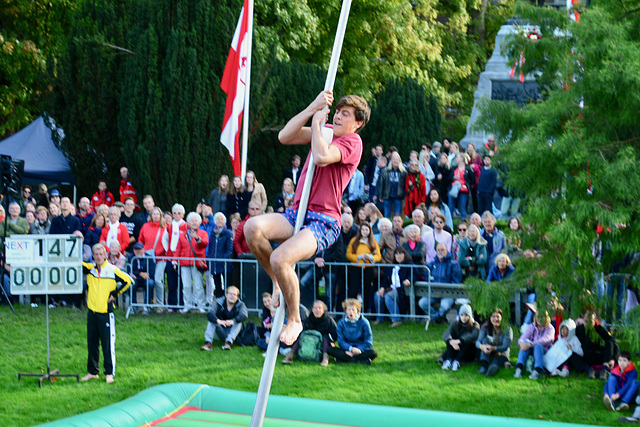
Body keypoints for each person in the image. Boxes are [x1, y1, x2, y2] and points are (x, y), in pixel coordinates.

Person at [245, 91, 369, 345]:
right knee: (252, 228)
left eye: (345, 114)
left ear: (357, 123)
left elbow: (323, 157)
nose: (337, 116)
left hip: (323, 220)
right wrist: (313, 107)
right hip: (296, 212)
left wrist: (316, 126)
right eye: (337, 111)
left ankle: (294, 319)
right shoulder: (324, 132)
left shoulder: (352, 142)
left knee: (281, 257)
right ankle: (277, 280)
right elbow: (284, 135)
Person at [81, 243, 132, 384]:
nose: (98, 257)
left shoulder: (112, 270)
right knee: (92, 342)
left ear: (105, 255)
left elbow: (128, 280)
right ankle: (92, 371)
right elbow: (74, 263)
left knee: (107, 343)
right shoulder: (90, 269)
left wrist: (115, 294)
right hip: (92, 312)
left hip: (105, 312)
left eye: (100, 254)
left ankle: (109, 372)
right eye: (95, 254)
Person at [283, 300, 338, 366]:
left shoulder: (329, 320)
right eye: (315, 308)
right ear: (312, 309)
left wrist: (330, 341)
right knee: (301, 336)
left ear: (323, 310)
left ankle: (325, 358)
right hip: (309, 341)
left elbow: (334, 334)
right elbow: (301, 330)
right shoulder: (308, 319)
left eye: (319, 308)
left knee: (325, 338)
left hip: (323, 342)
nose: (317, 310)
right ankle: (290, 355)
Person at [418, 243, 462, 323]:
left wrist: (447, 290)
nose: (440, 252)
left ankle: (437, 318)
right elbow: (426, 279)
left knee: (445, 307)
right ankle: (438, 317)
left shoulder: (454, 264)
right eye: (438, 250)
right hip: (433, 294)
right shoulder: (431, 264)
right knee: (422, 303)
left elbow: (456, 281)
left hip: (448, 294)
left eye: (442, 250)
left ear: (447, 251)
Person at [173, 212, 209, 313]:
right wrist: (175, 261)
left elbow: (205, 243)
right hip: (184, 263)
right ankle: (187, 305)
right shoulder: (182, 235)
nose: (194, 222)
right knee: (186, 286)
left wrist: (197, 237)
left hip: (196, 263)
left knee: (198, 285)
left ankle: (201, 306)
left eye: (196, 220)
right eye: (192, 220)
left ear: (199, 222)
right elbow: (178, 249)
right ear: (188, 222)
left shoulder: (203, 233)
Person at [327, 298, 377, 364]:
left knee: (373, 352)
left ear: (358, 310)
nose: (351, 312)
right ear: (345, 311)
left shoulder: (364, 322)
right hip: (347, 349)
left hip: (360, 350)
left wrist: (358, 350)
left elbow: (368, 342)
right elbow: (341, 341)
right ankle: (362, 361)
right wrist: (350, 349)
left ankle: (343, 360)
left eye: (353, 309)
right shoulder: (341, 322)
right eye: (349, 309)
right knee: (329, 349)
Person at [345, 222, 381, 311]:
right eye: (363, 229)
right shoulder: (354, 240)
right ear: (360, 230)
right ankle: (350, 310)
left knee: (366, 290)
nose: (364, 231)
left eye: (366, 230)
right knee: (353, 290)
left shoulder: (373, 241)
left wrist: (371, 257)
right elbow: (348, 254)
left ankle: (364, 312)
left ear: (369, 231)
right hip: (355, 268)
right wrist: (358, 257)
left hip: (368, 268)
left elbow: (378, 256)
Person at [374, 247, 412, 327]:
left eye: (401, 254)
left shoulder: (409, 265)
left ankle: (397, 320)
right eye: (396, 254)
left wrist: (409, 280)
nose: (398, 256)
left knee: (388, 297)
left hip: (402, 290)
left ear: (405, 254)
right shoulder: (391, 267)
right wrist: (382, 288)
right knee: (377, 295)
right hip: (391, 288)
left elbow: (415, 275)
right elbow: (385, 280)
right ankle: (379, 318)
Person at [201, 286, 248, 350]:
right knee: (212, 320)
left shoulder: (241, 304)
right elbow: (210, 313)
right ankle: (208, 343)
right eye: (230, 294)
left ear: (237, 297)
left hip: (234, 333)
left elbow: (244, 315)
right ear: (226, 295)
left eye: (234, 294)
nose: (232, 296)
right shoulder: (218, 302)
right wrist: (218, 321)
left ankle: (228, 343)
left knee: (239, 323)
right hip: (221, 331)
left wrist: (233, 321)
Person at [138, 206, 166, 311]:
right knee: (149, 280)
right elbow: (140, 240)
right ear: (150, 215)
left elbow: (167, 243)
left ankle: (160, 304)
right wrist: (142, 251)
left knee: (158, 280)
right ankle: (148, 303)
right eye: (153, 214)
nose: (155, 216)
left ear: (161, 215)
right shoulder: (145, 226)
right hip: (147, 258)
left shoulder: (165, 227)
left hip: (160, 258)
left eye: (157, 214)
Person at [514, 311, 555, 380]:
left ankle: (538, 370)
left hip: (543, 350)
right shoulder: (531, 326)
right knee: (525, 341)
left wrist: (531, 344)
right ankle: (519, 368)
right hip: (531, 348)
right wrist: (521, 343)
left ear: (546, 318)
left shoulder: (550, 328)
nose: (539, 319)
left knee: (538, 345)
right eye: (538, 317)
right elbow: (523, 337)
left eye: (542, 317)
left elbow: (545, 340)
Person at [162, 203, 188, 310]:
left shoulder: (186, 226)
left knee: (182, 283)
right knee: (171, 283)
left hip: (182, 258)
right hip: (170, 257)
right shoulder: (169, 226)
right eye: (174, 213)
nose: (176, 215)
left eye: (179, 213)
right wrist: (168, 250)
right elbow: (165, 239)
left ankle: (182, 305)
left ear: (182, 214)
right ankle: (172, 305)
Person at [440, 304, 480, 371]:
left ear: (469, 316)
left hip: (468, 351)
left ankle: (457, 361)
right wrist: (451, 341)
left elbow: (474, 335)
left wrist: (460, 340)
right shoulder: (455, 323)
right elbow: (447, 333)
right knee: (450, 340)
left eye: (466, 315)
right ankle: (449, 360)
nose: (464, 317)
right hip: (456, 348)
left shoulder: (475, 324)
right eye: (462, 315)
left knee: (467, 341)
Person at [476, 307, 513, 377]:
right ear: (490, 318)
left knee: (495, 361)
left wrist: (494, 348)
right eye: (493, 316)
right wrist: (482, 347)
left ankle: (492, 369)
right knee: (487, 339)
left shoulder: (507, 329)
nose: (496, 319)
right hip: (487, 352)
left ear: (502, 318)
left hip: (502, 354)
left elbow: (505, 346)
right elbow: (477, 342)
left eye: (498, 317)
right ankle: (483, 367)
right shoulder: (485, 327)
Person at [207, 212, 233, 301]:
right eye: (217, 219)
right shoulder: (212, 233)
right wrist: (209, 260)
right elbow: (211, 248)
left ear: (224, 221)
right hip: (214, 265)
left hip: (224, 264)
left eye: (221, 219)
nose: (219, 221)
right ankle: (219, 304)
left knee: (227, 285)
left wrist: (223, 260)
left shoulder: (228, 233)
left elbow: (229, 250)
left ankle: (228, 303)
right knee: (217, 286)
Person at [378, 152, 407, 219]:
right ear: (391, 160)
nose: (395, 161)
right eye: (393, 159)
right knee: (387, 214)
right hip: (387, 195)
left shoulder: (403, 172)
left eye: (397, 159)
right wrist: (380, 195)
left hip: (398, 196)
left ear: (399, 161)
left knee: (397, 214)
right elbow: (381, 183)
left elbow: (404, 185)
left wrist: (404, 197)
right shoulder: (385, 171)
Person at [129, 242, 155, 314]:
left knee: (150, 283)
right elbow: (130, 271)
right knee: (130, 284)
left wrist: (137, 275)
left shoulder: (149, 258)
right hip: (136, 279)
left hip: (145, 279)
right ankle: (134, 306)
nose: (138, 251)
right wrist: (140, 273)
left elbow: (152, 272)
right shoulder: (131, 258)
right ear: (133, 251)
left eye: (140, 249)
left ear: (144, 250)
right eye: (136, 249)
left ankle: (146, 306)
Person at [448, 153, 475, 220]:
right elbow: (448, 178)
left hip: (464, 190)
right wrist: (453, 177)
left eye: (457, 157)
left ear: (462, 159)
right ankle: (449, 224)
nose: (456, 159)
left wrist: (467, 184)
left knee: (462, 207)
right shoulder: (454, 168)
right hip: (454, 189)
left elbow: (472, 179)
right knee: (450, 207)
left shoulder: (468, 169)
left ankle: (463, 223)